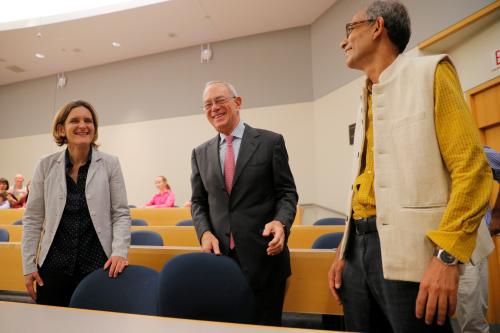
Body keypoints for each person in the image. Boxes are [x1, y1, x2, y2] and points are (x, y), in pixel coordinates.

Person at [327, 1, 493, 332]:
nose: (343, 41)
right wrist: (344, 251)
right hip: (359, 251)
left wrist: (447, 256)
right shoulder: (366, 96)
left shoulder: (430, 72)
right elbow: (364, 184)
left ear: (377, 28)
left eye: (350, 29)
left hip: (416, 251)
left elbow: (473, 171)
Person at [191, 80, 298, 326]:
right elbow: (198, 202)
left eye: (220, 100)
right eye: (207, 104)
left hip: (265, 258)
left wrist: (281, 222)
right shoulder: (200, 153)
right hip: (220, 260)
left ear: (237, 103)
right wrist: (204, 232)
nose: (214, 108)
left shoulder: (271, 142)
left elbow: (287, 193)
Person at [22, 100, 131, 307]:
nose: (83, 125)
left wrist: (119, 251)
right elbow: (33, 218)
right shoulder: (45, 165)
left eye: (88, 121)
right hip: (53, 266)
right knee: (50, 324)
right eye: (75, 120)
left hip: (98, 265)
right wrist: (28, 265)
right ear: (61, 129)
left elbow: (120, 214)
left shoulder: (110, 163)